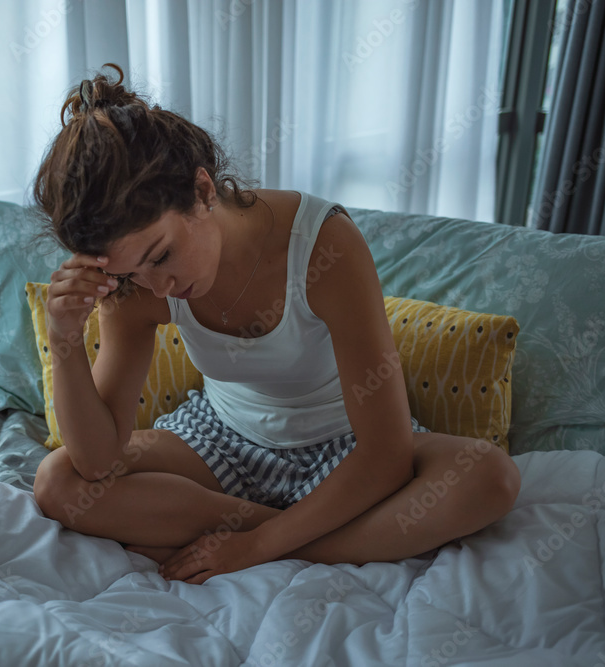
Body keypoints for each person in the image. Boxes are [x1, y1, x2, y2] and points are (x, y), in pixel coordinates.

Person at [32, 63, 520, 585]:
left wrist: (254, 547)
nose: (158, 288)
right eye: (133, 271)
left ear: (201, 191)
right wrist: (64, 339)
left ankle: (288, 540)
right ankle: (334, 536)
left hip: (344, 444)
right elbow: (98, 460)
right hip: (219, 439)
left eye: (161, 256)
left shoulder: (322, 244)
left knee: (490, 477)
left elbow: (387, 453)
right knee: (58, 480)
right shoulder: (135, 286)